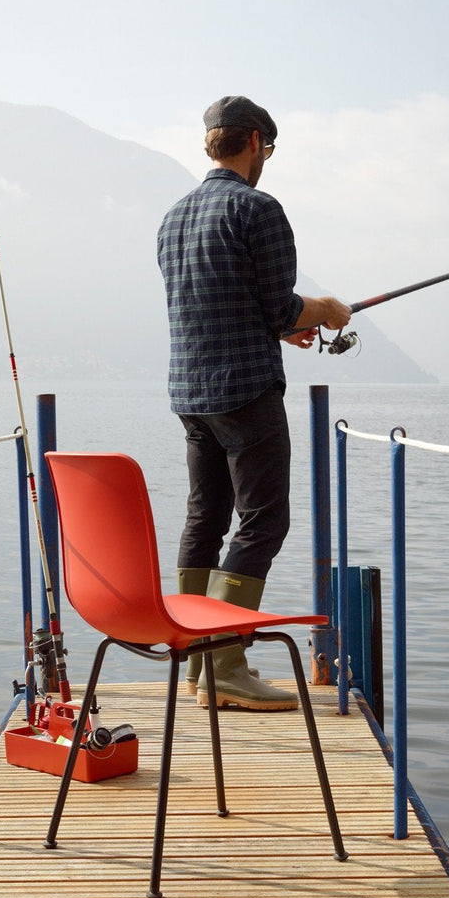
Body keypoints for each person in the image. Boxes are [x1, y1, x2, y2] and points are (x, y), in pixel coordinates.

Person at [156, 95, 351, 710]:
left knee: (204, 519)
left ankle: (194, 659)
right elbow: (282, 306)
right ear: (253, 143)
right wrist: (324, 310)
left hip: (190, 393)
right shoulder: (258, 208)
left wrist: (279, 324)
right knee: (264, 520)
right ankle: (225, 666)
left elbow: (226, 304)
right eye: (267, 147)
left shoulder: (174, 216)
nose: (266, 158)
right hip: (245, 393)